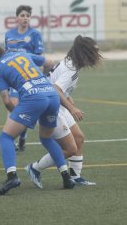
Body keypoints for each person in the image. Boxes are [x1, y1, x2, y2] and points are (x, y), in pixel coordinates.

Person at [0, 41, 75, 195]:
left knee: (5, 137)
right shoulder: (21, 53)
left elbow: (6, 101)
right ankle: (66, 176)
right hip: (51, 95)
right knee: (46, 138)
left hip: (33, 98)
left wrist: (20, 115)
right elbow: (50, 63)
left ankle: (12, 177)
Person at [25, 35, 103, 188]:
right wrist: (72, 108)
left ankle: (75, 176)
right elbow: (56, 89)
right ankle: (34, 168)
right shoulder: (70, 68)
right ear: (84, 53)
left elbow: (57, 85)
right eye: (93, 52)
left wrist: (68, 98)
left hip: (58, 103)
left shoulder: (71, 63)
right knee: (70, 149)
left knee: (79, 138)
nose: (96, 56)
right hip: (51, 105)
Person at [4, 5, 45, 151]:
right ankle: (11, 137)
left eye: (27, 15)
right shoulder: (9, 34)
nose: (25, 18)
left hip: (28, 78)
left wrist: (37, 76)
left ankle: (22, 136)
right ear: (17, 18)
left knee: (25, 109)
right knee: (13, 106)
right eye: (22, 15)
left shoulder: (35, 35)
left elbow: (39, 58)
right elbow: (6, 55)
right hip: (13, 78)